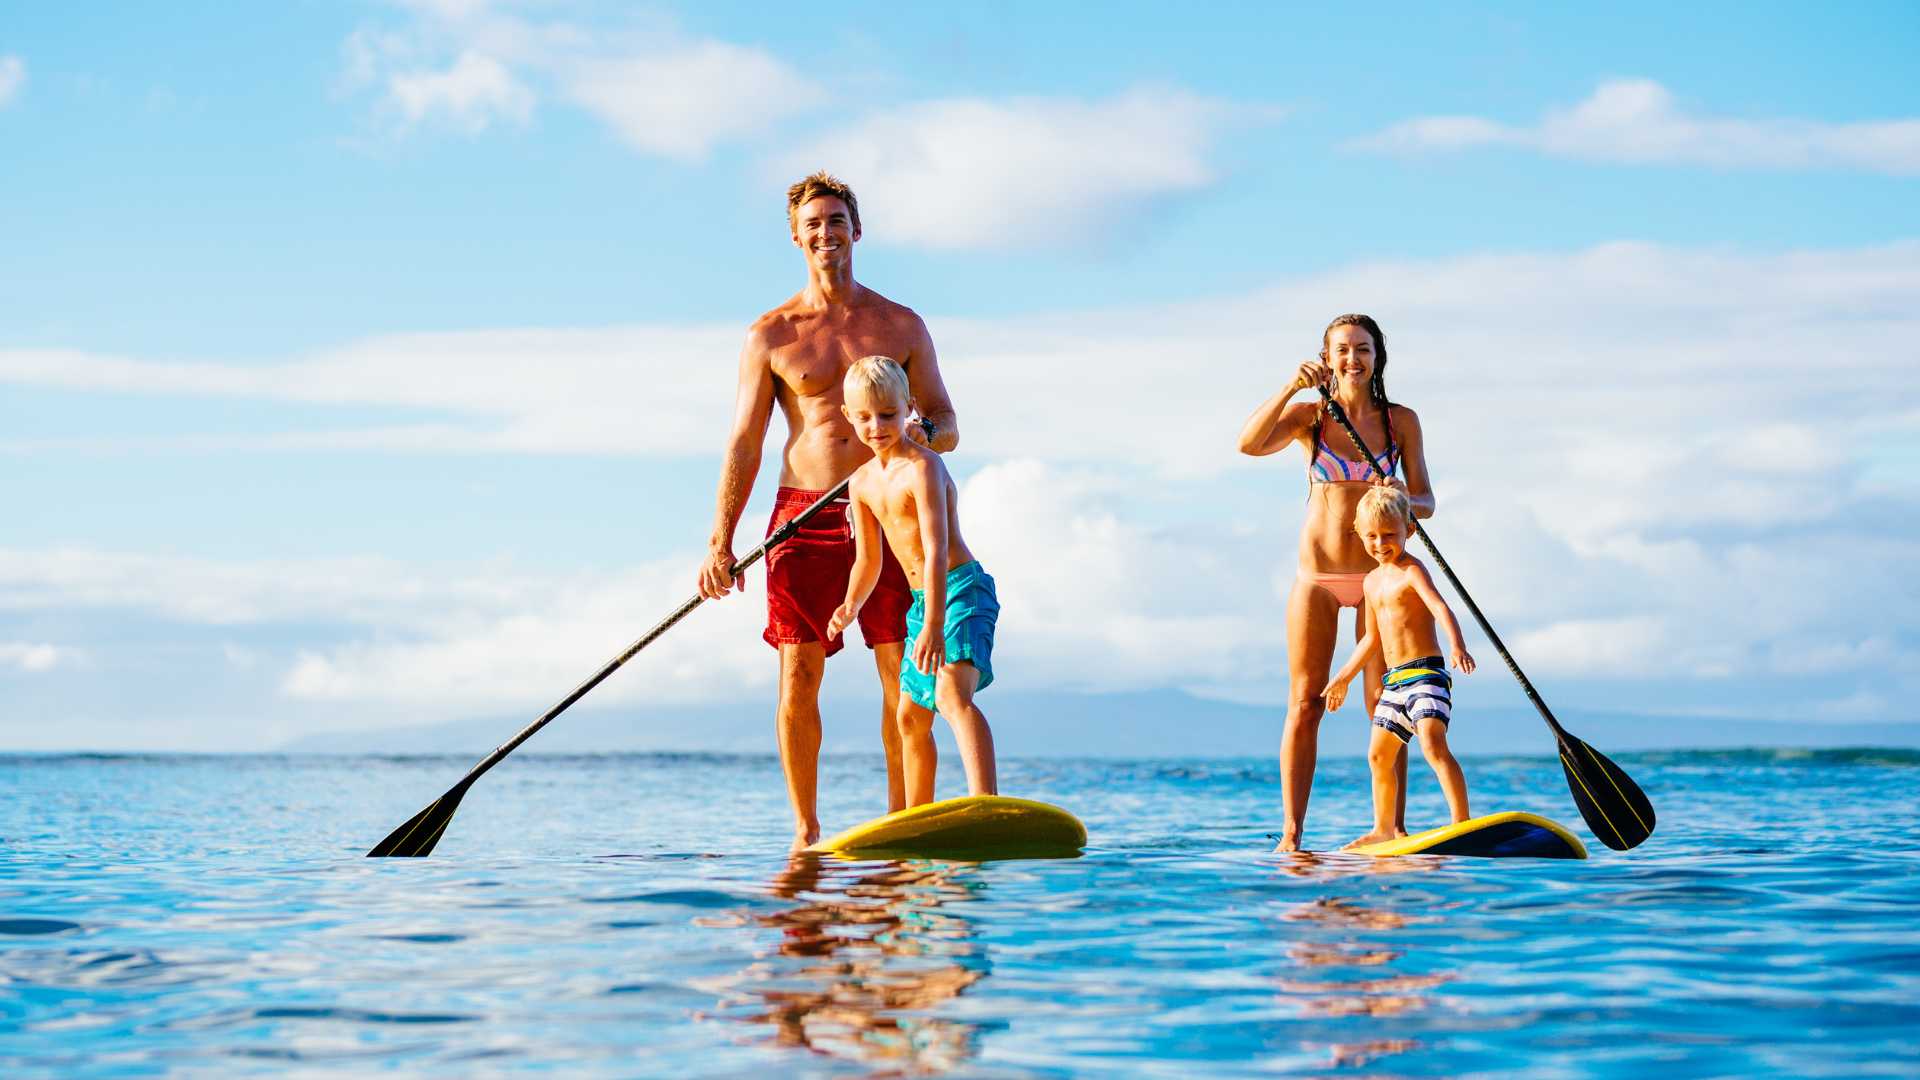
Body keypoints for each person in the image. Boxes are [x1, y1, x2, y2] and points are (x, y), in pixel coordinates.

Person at [699, 173, 959, 851]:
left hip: (887, 506)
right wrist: (719, 541)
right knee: (799, 672)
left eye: (836, 220)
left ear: (857, 230)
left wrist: (911, 439)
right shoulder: (771, 334)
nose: (826, 233)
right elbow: (745, 441)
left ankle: (905, 820)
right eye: (812, 223)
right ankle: (806, 831)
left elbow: (947, 421)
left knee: (901, 668)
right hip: (801, 516)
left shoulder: (901, 325)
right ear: (796, 237)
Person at [1237, 314, 1436, 851]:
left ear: (1378, 357)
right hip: (1319, 578)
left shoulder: (1402, 422)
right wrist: (1288, 388)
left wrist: (1401, 495)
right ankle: (1292, 835)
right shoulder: (1311, 417)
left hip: (1382, 580)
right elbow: (1249, 445)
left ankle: (1391, 829)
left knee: (1386, 703)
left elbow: (1427, 503)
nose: (1353, 359)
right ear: (1327, 359)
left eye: (1363, 349)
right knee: (1305, 702)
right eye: (1342, 350)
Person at [828, 356, 999, 807]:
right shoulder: (861, 483)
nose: (877, 426)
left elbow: (937, 547)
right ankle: (917, 817)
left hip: (959, 590)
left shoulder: (923, 467)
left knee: (949, 694)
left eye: (888, 414)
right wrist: (850, 605)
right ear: (848, 415)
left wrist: (933, 625)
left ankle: (985, 803)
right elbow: (868, 561)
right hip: (924, 603)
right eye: (864, 417)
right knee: (908, 716)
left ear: (910, 408)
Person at [1322, 486, 1475, 847]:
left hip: (1426, 674)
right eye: (1371, 536)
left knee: (1433, 743)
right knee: (1378, 755)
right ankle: (1383, 828)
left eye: (1390, 534)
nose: (1380, 543)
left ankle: (1461, 822)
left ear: (1410, 529)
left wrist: (1457, 644)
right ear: (1359, 533)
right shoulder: (1371, 581)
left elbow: (1440, 607)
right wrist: (1343, 676)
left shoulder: (1412, 571)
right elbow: (1370, 640)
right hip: (1394, 683)